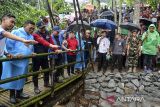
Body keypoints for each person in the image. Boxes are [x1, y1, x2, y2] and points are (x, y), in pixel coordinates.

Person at [0, 20, 36, 104]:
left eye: (33, 29)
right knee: (13, 77)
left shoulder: (31, 36)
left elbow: (30, 47)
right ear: (25, 26)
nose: (32, 30)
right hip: (15, 60)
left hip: (24, 61)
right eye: (30, 28)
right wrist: (15, 54)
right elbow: (8, 45)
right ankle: (12, 96)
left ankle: (19, 93)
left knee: (22, 77)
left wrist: (31, 53)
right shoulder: (16, 32)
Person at [0, 14, 37, 80]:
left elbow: (2, 46)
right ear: (4, 20)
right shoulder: (4, 31)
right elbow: (5, 34)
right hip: (12, 61)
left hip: (18, 60)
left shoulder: (31, 36)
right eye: (11, 21)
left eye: (14, 23)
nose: (13, 24)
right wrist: (23, 40)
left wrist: (6, 53)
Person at [32, 21, 59, 94]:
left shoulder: (47, 32)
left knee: (46, 69)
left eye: (44, 27)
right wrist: (51, 46)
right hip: (37, 55)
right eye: (41, 28)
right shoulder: (35, 34)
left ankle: (46, 83)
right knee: (36, 71)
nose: (43, 29)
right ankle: (36, 86)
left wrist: (55, 49)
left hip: (45, 54)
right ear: (38, 28)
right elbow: (42, 41)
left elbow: (51, 41)